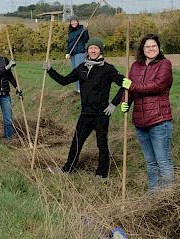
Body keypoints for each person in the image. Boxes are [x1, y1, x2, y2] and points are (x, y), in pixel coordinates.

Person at [44, 37, 130, 179]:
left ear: (100, 50)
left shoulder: (108, 69)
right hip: (85, 114)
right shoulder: (81, 68)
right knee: (76, 142)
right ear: (87, 50)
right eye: (91, 48)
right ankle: (67, 169)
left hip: (101, 114)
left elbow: (126, 85)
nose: (93, 50)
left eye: (96, 48)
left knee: (102, 144)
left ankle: (101, 174)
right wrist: (50, 70)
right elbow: (64, 81)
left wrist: (114, 104)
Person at [112, 33, 175, 191]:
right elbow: (129, 90)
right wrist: (125, 102)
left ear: (159, 48)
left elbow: (157, 86)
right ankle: (153, 195)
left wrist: (131, 86)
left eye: (154, 46)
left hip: (159, 120)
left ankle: (168, 197)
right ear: (142, 49)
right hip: (140, 121)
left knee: (163, 162)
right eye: (148, 46)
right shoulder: (135, 66)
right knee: (151, 162)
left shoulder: (164, 64)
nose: (151, 49)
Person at [65, 16, 89, 93]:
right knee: (74, 72)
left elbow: (86, 40)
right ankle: (77, 89)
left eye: (75, 21)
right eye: (72, 21)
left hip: (80, 52)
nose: (73, 23)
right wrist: (67, 52)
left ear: (78, 21)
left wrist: (85, 31)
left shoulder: (82, 29)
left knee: (80, 71)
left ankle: (82, 88)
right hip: (72, 54)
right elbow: (69, 43)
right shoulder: (70, 31)